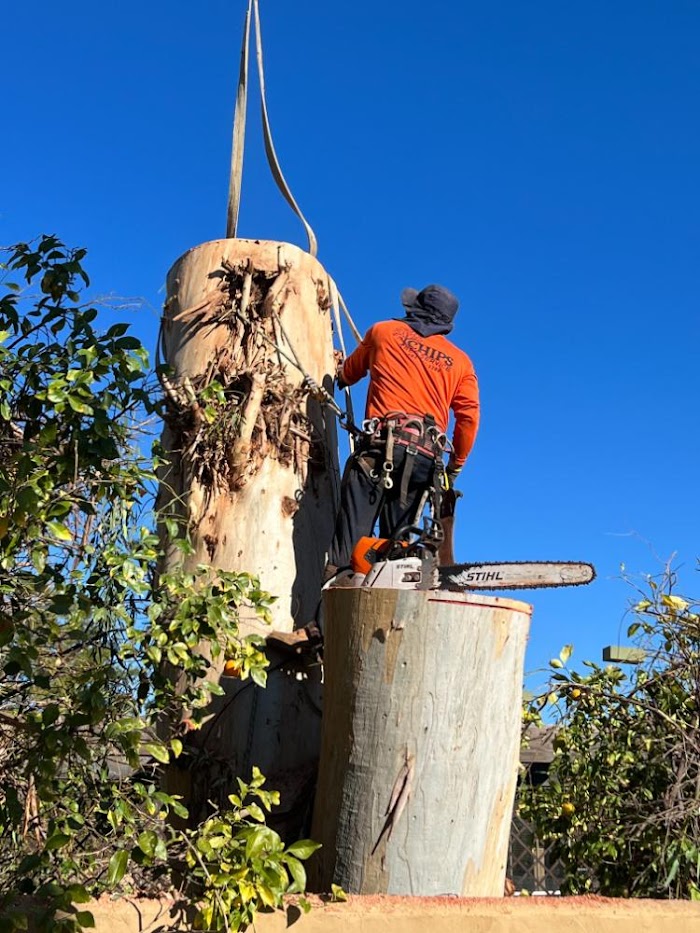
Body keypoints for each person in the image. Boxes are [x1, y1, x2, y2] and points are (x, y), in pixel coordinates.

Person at [327, 283, 480, 573]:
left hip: (379, 449)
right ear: (446, 325)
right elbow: (469, 418)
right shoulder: (460, 362)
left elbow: (347, 374)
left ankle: (317, 616)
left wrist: (341, 373)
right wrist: (455, 465)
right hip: (424, 462)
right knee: (393, 554)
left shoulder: (382, 332)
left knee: (347, 548)